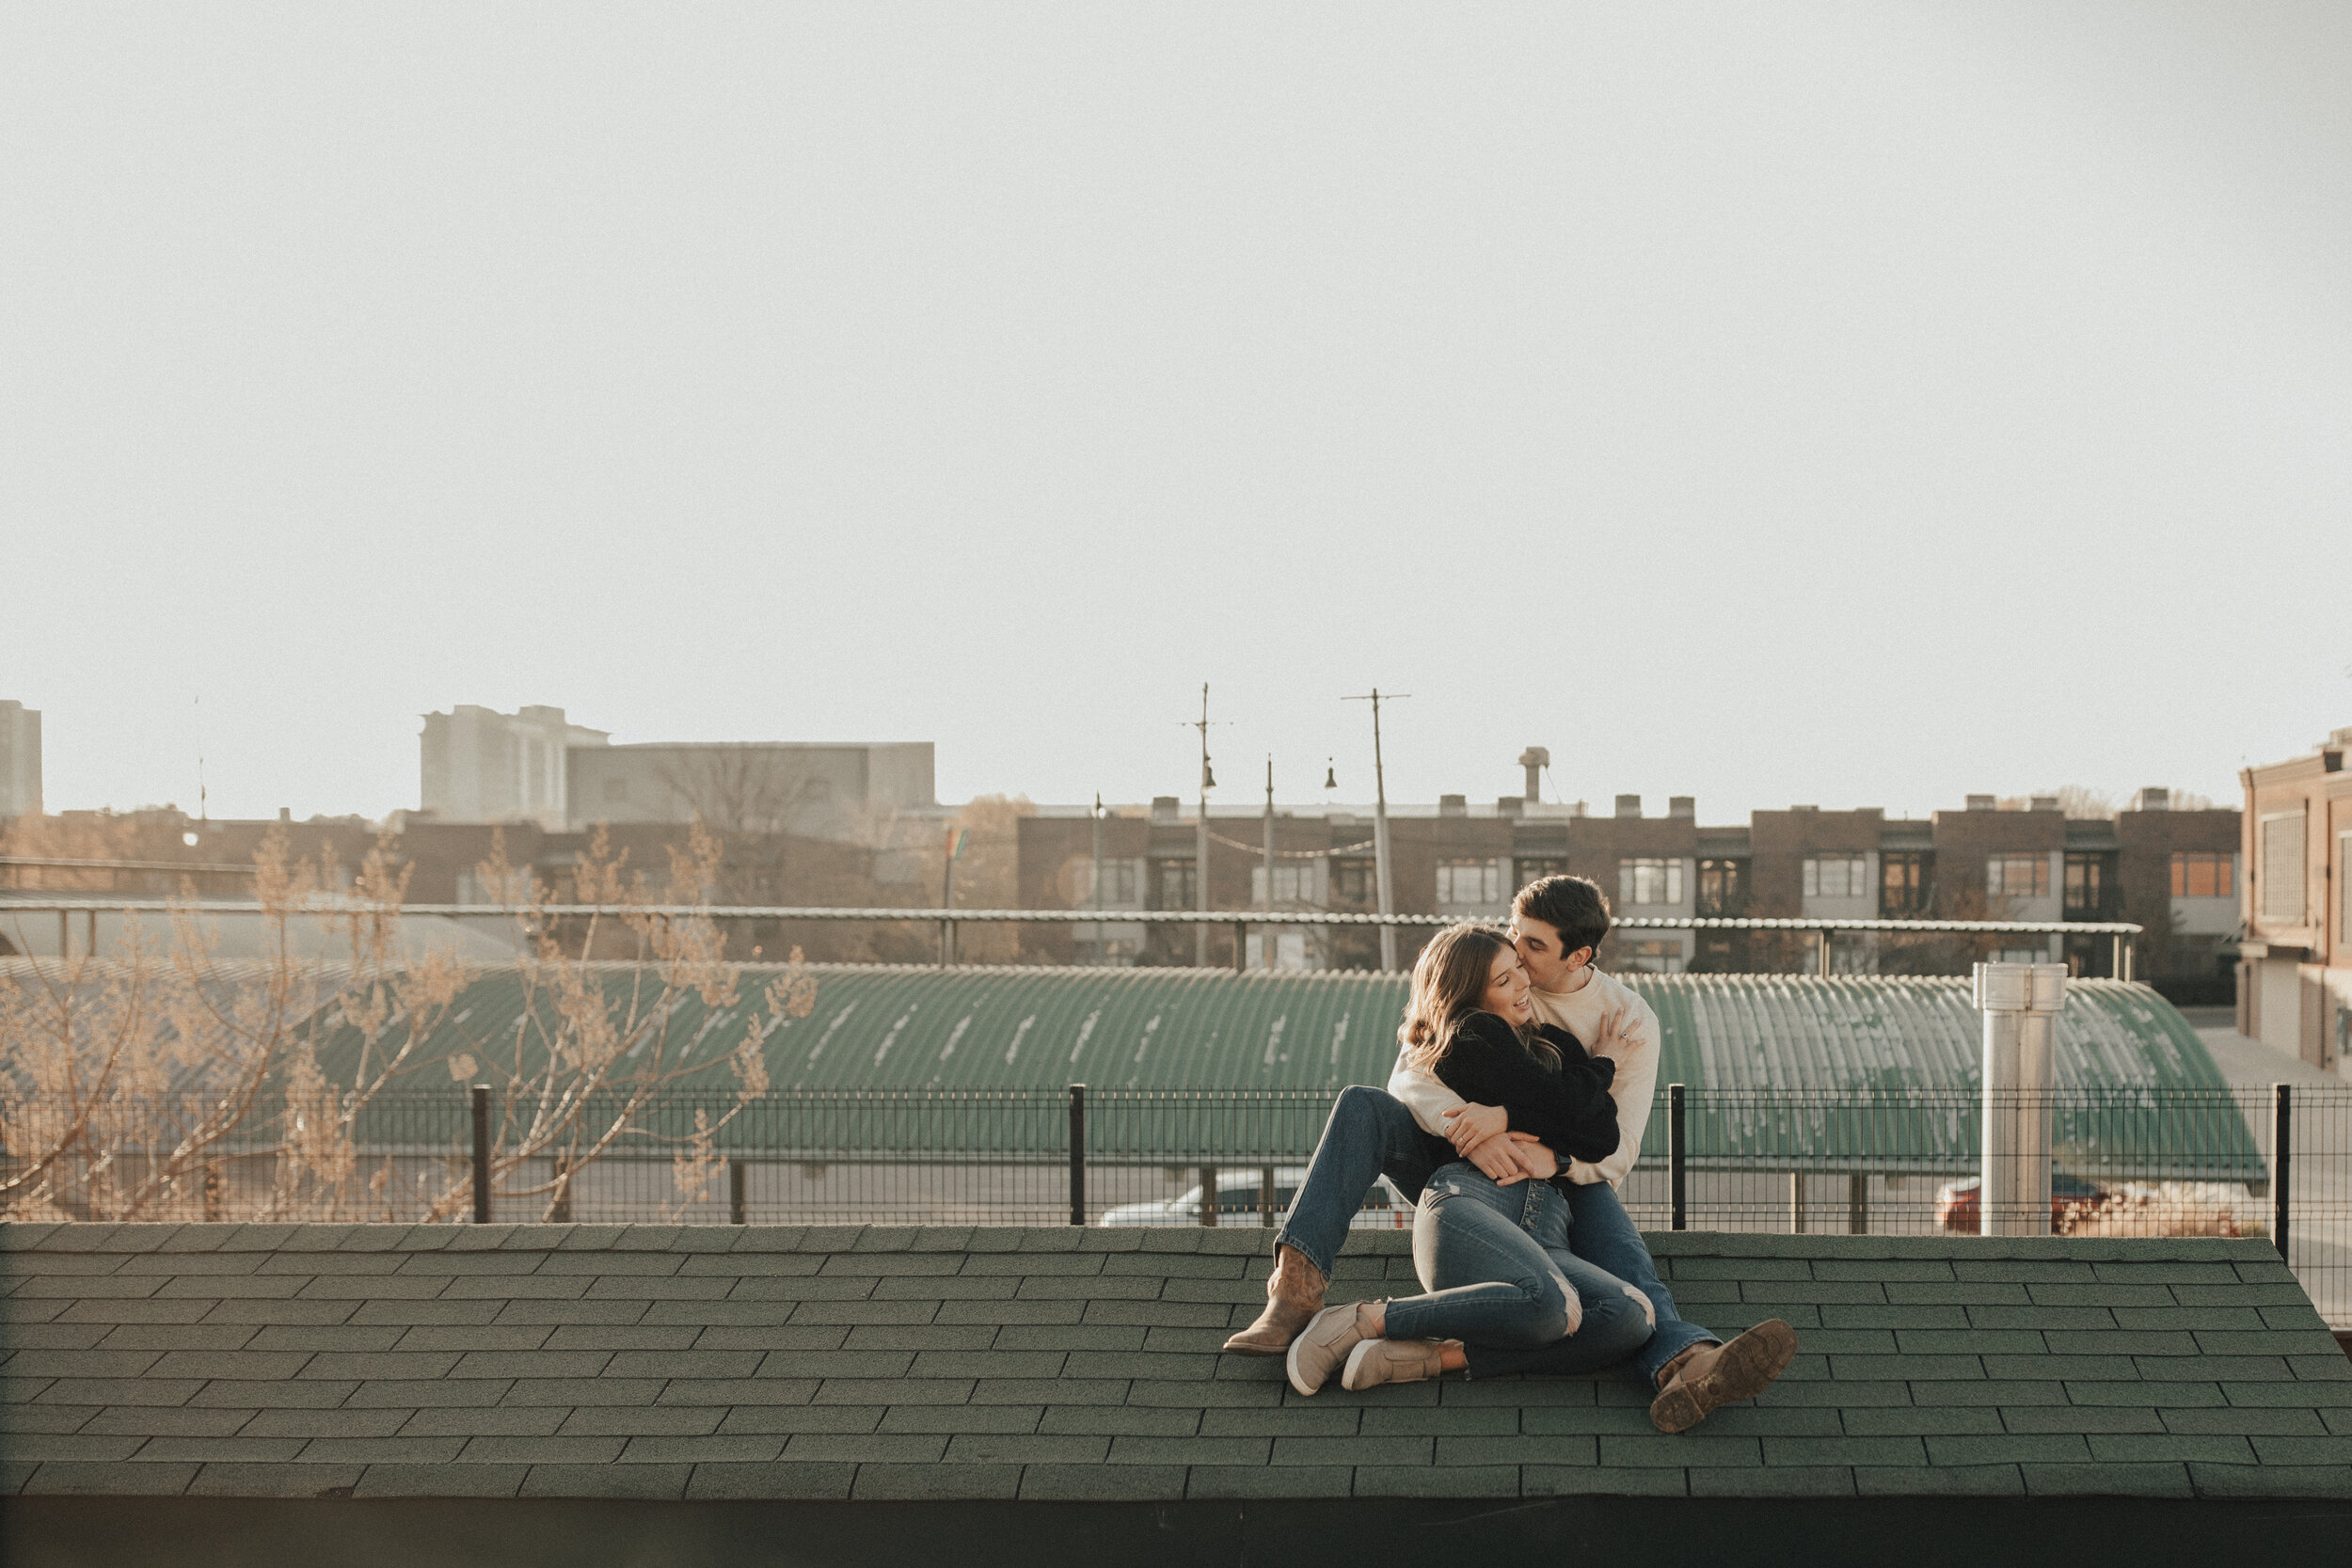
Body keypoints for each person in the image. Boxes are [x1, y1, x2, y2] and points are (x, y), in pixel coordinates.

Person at [1224, 875, 1795, 1433]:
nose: (1517, 955)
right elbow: (1412, 1078)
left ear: (1579, 957)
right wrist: (1481, 1130)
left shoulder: (1627, 1022)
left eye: (1533, 946)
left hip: (1566, 1179)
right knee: (1364, 1106)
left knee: (1628, 1278)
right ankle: (1295, 1290)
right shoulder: (1479, 978)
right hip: (1465, 1162)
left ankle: (1684, 1363)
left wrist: (1552, 1154)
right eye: (1514, 936)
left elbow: (1614, 1145)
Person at [1280, 925, 1659, 1394]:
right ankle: (1361, 1318)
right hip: (1470, 1207)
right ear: (1471, 997)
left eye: (1519, 967)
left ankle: (1437, 1357)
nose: (1523, 983)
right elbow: (1559, 1104)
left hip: (1546, 1231)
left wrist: (1507, 1116)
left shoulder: (1554, 1044)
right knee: (1553, 1305)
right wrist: (1600, 1068)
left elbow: (1601, 1135)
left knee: (1632, 1315)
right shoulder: (1473, 1035)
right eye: (1503, 981)